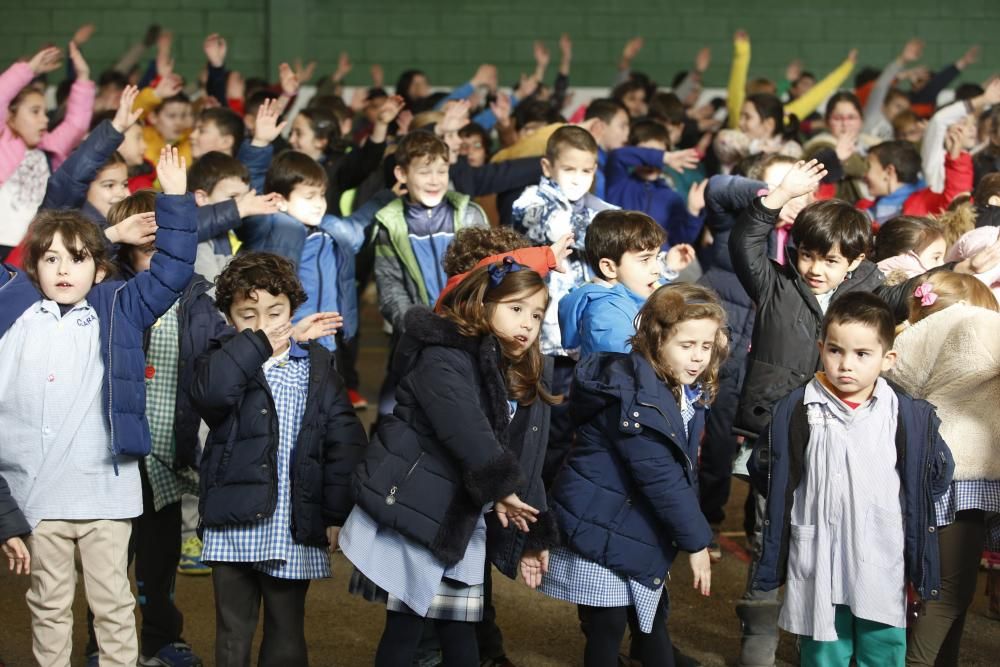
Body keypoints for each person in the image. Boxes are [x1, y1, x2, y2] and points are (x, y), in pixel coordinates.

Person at [0, 147, 195, 667]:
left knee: (113, 605)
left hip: (106, 493)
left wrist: (175, 201)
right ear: (33, 267)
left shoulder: (119, 307)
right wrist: (99, 236)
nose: (64, 270)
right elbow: (12, 279)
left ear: (100, 268)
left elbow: (173, 271)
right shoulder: (16, 313)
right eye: (51, 259)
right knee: (48, 606)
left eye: (78, 259)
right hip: (37, 497)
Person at [343, 261, 557, 666]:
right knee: (406, 630)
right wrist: (502, 489)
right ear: (482, 303)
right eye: (515, 308)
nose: (527, 323)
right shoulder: (443, 355)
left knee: (459, 631)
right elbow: (467, 429)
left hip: (460, 522)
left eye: (536, 314)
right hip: (419, 509)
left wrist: (534, 534)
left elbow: (526, 457)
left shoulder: (520, 373)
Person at [748, 291, 954, 666]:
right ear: (821, 347)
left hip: (880, 553)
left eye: (862, 354)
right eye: (836, 351)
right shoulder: (797, 408)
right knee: (824, 651)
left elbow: (935, 473)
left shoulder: (904, 413)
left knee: (882, 649)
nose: (846, 365)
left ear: (887, 359)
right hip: (819, 552)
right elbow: (767, 467)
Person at [191, 252, 367, 667]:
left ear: (292, 309)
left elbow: (344, 442)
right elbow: (212, 395)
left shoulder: (318, 366)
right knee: (233, 632)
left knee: (287, 633)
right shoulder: (221, 359)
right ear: (231, 319)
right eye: (248, 314)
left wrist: (336, 513)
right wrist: (256, 344)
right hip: (232, 522)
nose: (264, 322)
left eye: (275, 311)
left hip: (293, 523)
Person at [540, 283, 725, 667]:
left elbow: (677, 473)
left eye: (705, 347)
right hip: (604, 527)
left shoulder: (679, 390)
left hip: (629, 524)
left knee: (649, 619)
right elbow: (661, 477)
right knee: (608, 628)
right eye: (686, 345)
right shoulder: (639, 401)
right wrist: (696, 543)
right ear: (656, 341)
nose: (697, 358)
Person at [884, 272, 1000, 665]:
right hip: (965, 472)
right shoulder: (978, 324)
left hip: (920, 468)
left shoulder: (908, 338)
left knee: (945, 588)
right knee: (949, 592)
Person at [559, 209, 694, 359]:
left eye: (656, 258)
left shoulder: (637, 291)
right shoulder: (605, 316)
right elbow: (628, 371)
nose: (657, 270)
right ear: (609, 268)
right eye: (645, 260)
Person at [0, 44, 95, 257]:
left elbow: (77, 125)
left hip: (32, 249)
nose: (44, 118)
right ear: (10, 116)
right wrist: (29, 69)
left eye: (44, 111)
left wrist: (83, 77)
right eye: (35, 112)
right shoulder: (3, 143)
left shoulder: (49, 149)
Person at [605, 120, 706, 247]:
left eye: (657, 153)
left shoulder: (672, 198)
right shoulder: (620, 181)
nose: (651, 163)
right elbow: (617, 156)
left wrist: (693, 212)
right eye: (647, 154)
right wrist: (661, 157)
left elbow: (681, 239)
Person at [859, 139, 972, 227]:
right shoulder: (864, 210)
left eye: (868, 167)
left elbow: (957, 202)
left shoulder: (926, 205)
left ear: (889, 171)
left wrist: (956, 161)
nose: (864, 175)